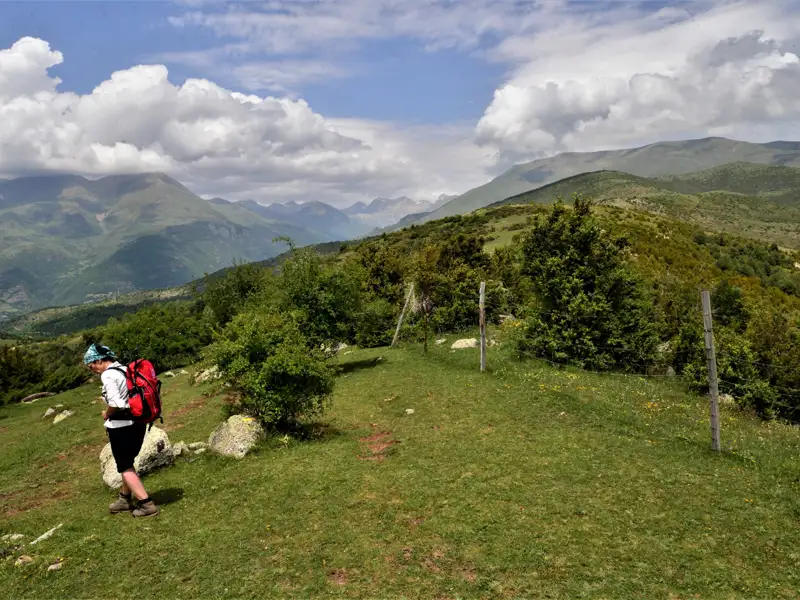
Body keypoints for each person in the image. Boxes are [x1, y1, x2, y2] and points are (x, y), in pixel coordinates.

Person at [84, 343, 159, 518]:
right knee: (128, 462)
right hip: (138, 423)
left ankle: (146, 504)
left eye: (92, 365)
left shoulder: (108, 375)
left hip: (121, 427)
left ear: (100, 360)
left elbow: (116, 403)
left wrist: (106, 414)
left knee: (124, 466)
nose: (92, 369)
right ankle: (125, 499)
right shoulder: (125, 369)